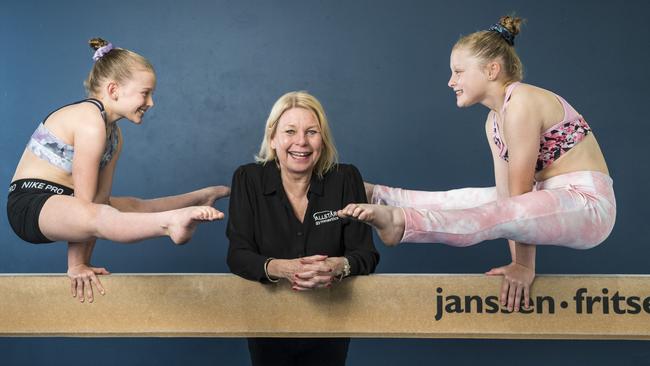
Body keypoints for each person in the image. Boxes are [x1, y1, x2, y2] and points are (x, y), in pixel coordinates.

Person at [338, 16, 616, 313]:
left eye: (458, 72)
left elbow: (517, 203)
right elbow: (505, 196)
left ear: (491, 70)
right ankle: (377, 195)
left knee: (492, 212)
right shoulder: (493, 121)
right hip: (546, 197)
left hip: (589, 205)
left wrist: (522, 265)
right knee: (465, 198)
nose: (451, 81)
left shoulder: (522, 102)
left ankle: (402, 223)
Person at [7, 38, 229, 303]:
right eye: (145, 93)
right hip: (31, 204)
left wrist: (82, 262)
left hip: (66, 205)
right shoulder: (89, 121)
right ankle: (170, 223)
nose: (151, 102)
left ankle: (198, 198)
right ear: (113, 90)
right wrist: (76, 265)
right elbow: (87, 207)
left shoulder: (114, 135)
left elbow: (98, 201)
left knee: (130, 207)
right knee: (101, 214)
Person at [227, 91, 379, 366]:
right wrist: (283, 268)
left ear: (322, 140)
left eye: (311, 132)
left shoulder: (345, 178)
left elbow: (366, 254)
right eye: (290, 131)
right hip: (267, 322)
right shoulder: (248, 179)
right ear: (273, 138)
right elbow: (238, 255)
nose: (301, 142)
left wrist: (338, 266)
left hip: (331, 321)